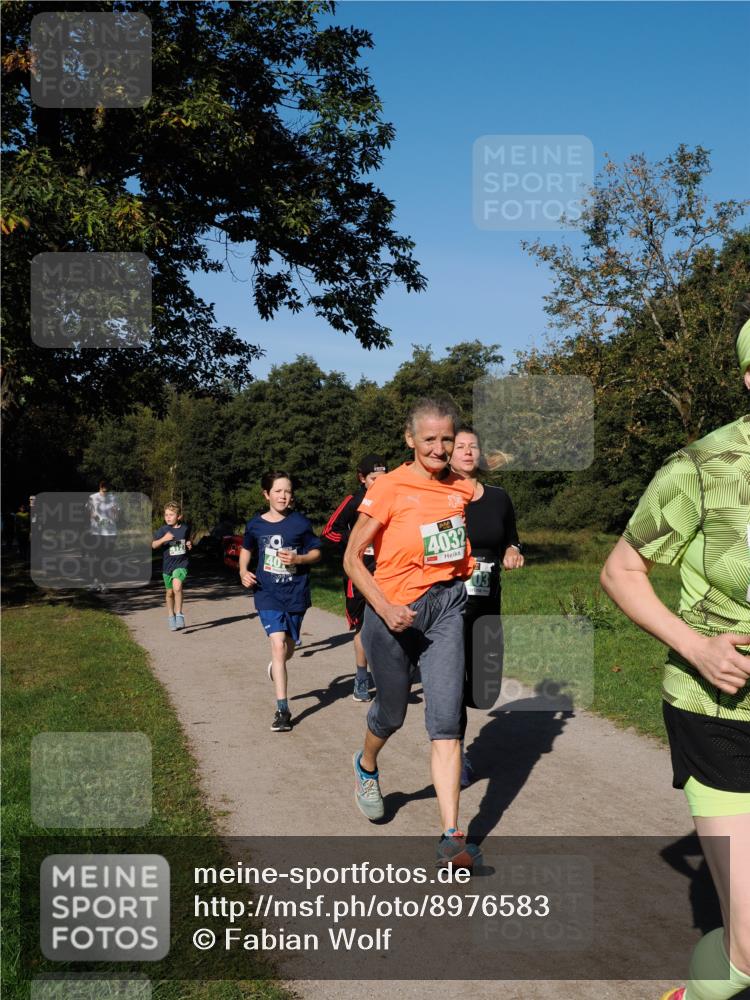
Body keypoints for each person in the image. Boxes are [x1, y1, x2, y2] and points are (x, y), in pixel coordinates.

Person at [600, 305, 750, 1000]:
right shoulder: (701, 468)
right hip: (721, 713)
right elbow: (620, 572)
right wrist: (696, 646)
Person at [344, 398, 480, 868]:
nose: (440, 448)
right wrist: (384, 605)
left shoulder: (460, 487)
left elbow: (482, 498)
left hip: (446, 607)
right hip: (391, 612)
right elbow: (351, 557)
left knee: (446, 722)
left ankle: (451, 836)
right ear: (410, 440)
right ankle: (366, 766)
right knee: (393, 713)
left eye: (447, 439)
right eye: (430, 440)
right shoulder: (388, 487)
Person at [449, 426, 524, 787]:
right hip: (447, 606)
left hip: (488, 604)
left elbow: (512, 538)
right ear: (448, 455)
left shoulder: (498, 498)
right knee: (452, 683)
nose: (466, 452)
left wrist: (513, 551)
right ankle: (454, 753)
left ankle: (448, 733)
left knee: (482, 690)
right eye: (459, 446)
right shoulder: (439, 495)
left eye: (472, 446)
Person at [239, 472, 322, 733]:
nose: (283, 496)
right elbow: (247, 549)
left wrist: (298, 560)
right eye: (277, 491)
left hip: (295, 594)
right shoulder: (255, 525)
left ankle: (278, 665)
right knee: (277, 645)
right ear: (266, 494)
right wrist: (243, 571)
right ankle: (282, 710)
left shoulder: (300, 523)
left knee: (288, 648)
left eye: (287, 491)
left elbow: (317, 552)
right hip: (267, 594)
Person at [323, 453, 388, 702]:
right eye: (374, 479)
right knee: (363, 628)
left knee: (388, 626)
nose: (379, 484)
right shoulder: (354, 501)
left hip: (388, 572)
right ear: (362, 478)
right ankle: (362, 678)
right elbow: (329, 530)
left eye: (384, 478)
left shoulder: (395, 499)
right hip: (358, 572)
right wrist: (354, 542)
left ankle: (389, 678)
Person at [152, 502, 192, 631]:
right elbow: (153, 545)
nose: (168, 517)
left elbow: (187, 540)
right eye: (166, 515)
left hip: (181, 564)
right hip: (167, 566)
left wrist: (189, 544)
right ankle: (171, 615)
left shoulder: (185, 528)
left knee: (177, 587)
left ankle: (179, 614)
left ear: (179, 516)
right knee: (169, 593)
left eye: (171, 515)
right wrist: (164, 539)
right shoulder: (163, 530)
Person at [87, 480, 120, 591]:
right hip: (96, 532)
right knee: (96, 558)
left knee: (106, 558)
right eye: (102, 487)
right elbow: (90, 513)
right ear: (100, 487)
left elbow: (117, 516)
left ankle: (104, 583)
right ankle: (95, 582)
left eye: (106, 487)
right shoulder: (92, 497)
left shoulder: (113, 498)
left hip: (110, 533)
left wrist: (114, 514)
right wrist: (96, 519)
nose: (104, 489)